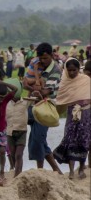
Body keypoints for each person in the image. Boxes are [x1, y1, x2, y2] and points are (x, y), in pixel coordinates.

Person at [24, 42, 64, 173]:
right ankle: (57, 170)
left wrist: (33, 84)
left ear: (52, 55)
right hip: (35, 106)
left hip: (47, 109)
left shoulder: (55, 70)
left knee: (38, 139)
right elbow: (27, 84)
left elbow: (44, 92)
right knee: (39, 139)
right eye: (41, 58)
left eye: (46, 58)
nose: (43, 61)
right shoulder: (38, 65)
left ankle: (40, 170)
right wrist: (35, 86)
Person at [52, 58, 91, 179]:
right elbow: (61, 98)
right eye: (69, 70)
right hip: (71, 113)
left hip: (85, 113)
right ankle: (71, 171)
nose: (72, 73)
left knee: (83, 140)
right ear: (66, 70)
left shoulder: (86, 80)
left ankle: (81, 169)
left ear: (79, 70)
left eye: (75, 70)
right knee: (70, 139)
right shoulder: (64, 83)